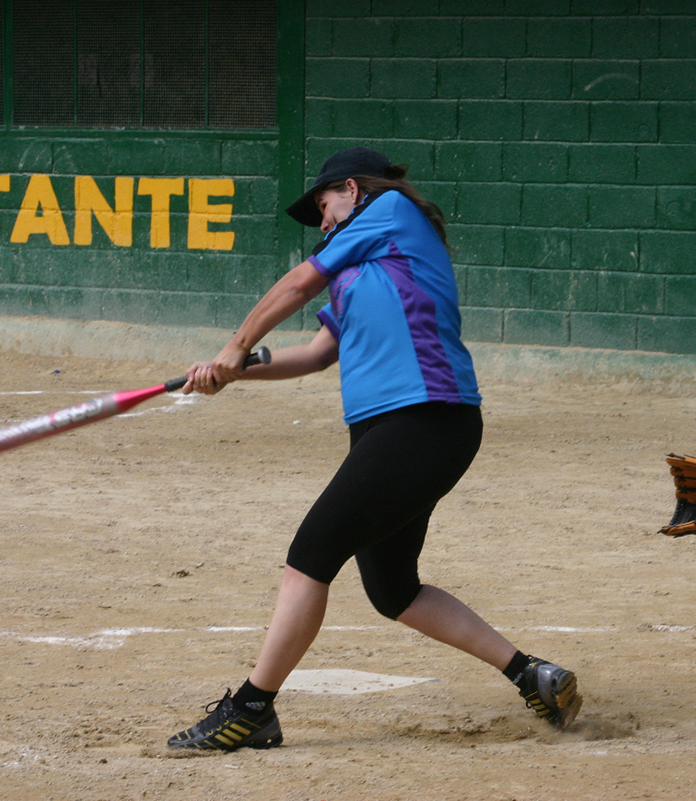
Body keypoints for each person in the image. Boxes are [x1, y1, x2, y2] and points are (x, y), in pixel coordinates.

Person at [165, 147, 582, 751]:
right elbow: (313, 356)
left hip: (423, 420)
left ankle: (252, 707)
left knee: (310, 554)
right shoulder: (364, 270)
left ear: (354, 189)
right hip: (397, 431)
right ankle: (531, 674)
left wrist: (237, 341)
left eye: (325, 204)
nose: (323, 220)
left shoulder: (389, 211)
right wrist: (231, 371)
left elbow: (297, 281)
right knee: (394, 590)